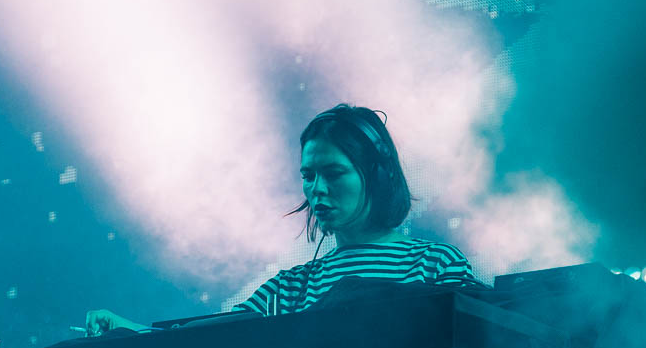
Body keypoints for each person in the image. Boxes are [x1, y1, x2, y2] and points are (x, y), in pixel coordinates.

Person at [84, 104, 487, 336]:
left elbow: (482, 346)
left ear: (378, 175)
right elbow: (208, 342)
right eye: (308, 176)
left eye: (333, 173)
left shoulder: (435, 264)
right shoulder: (291, 287)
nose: (317, 189)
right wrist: (131, 331)